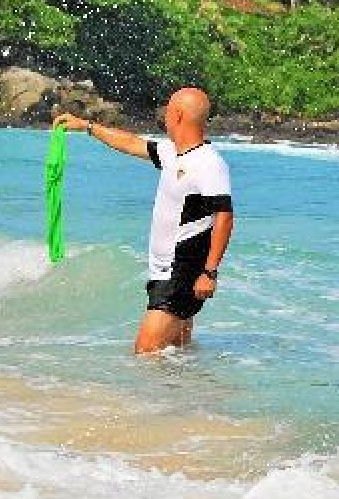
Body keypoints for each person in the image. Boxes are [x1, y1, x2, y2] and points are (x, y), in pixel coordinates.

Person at [53, 87, 234, 354]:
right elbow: (131, 142)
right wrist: (86, 126)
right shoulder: (174, 153)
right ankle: (191, 393)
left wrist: (209, 273)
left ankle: (147, 397)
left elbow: (225, 216)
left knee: (145, 353)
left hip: (180, 273)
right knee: (177, 351)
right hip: (167, 272)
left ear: (178, 115)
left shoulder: (209, 163)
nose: (164, 115)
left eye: (168, 109)